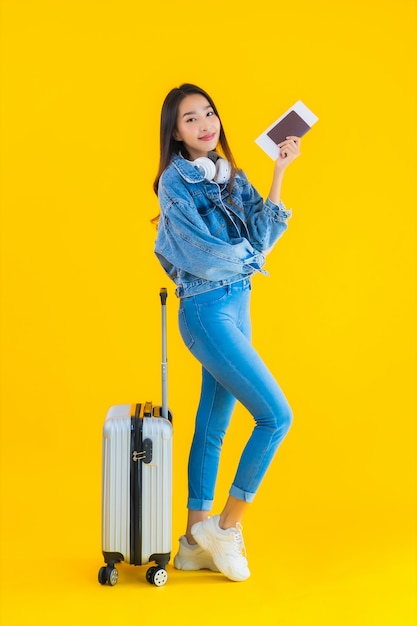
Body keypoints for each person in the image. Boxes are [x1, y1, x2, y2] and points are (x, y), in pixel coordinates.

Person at [153, 83, 301, 582]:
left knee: (214, 426)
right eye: (191, 119)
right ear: (175, 133)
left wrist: (279, 171)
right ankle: (225, 526)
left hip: (239, 303)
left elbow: (262, 233)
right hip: (205, 310)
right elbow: (198, 253)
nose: (205, 124)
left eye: (209, 113)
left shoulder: (230, 175)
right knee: (276, 416)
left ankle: (194, 542)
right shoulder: (173, 185)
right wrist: (251, 259)